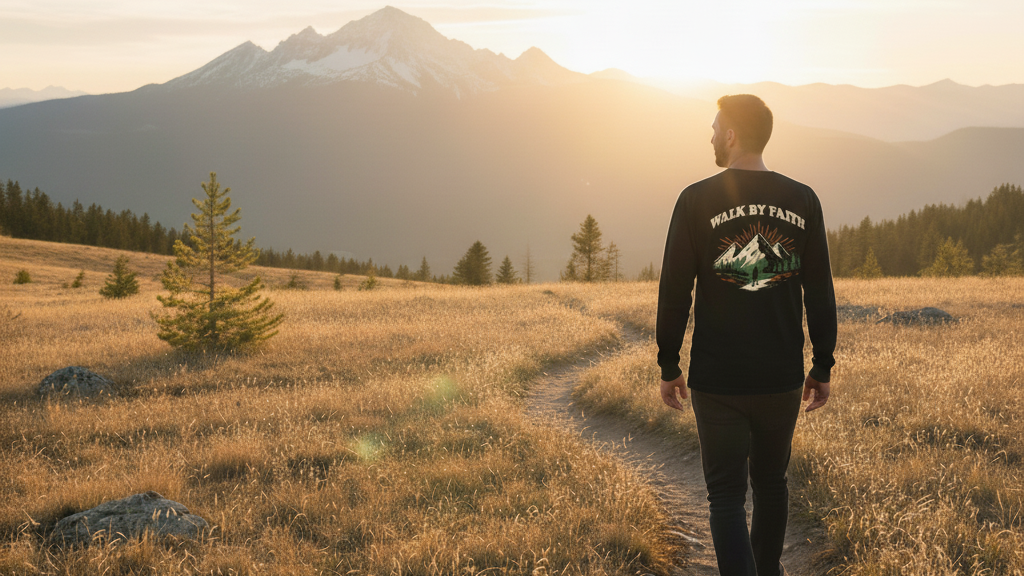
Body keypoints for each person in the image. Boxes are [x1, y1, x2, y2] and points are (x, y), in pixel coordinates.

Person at [656, 94, 837, 576]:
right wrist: (822, 364)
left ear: (732, 134)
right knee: (772, 484)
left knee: (726, 494)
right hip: (780, 374)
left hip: (717, 378)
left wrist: (669, 363)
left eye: (715, 127)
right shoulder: (803, 199)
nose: (710, 135)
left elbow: (675, 288)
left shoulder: (695, 199)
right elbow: (819, 289)